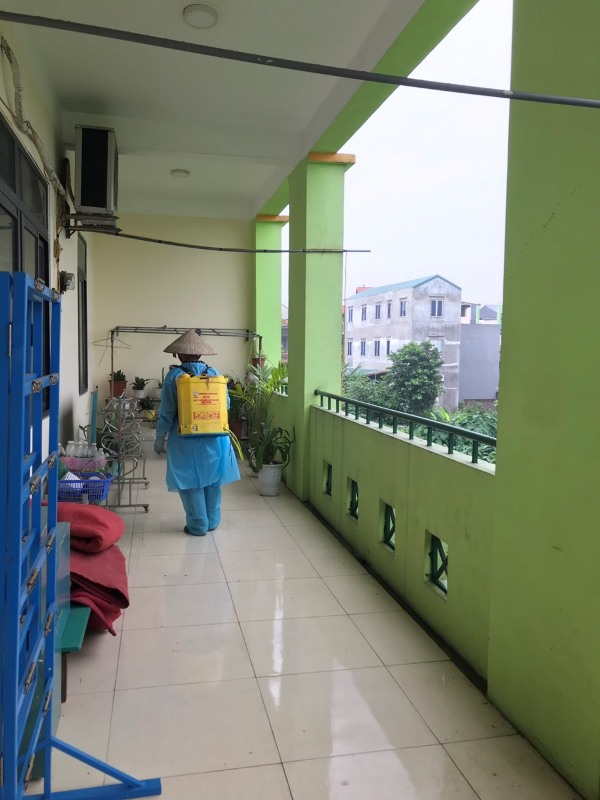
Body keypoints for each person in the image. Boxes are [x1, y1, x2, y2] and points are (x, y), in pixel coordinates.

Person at [153, 329, 240, 535]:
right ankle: (213, 521)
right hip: (215, 437)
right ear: (200, 354)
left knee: (189, 481)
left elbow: (166, 412)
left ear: (178, 355)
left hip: (185, 439)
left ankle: (198, 525)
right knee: (212, 480)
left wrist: (159, 437)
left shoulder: (174, 376)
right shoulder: (215, 374)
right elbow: (226, 405)